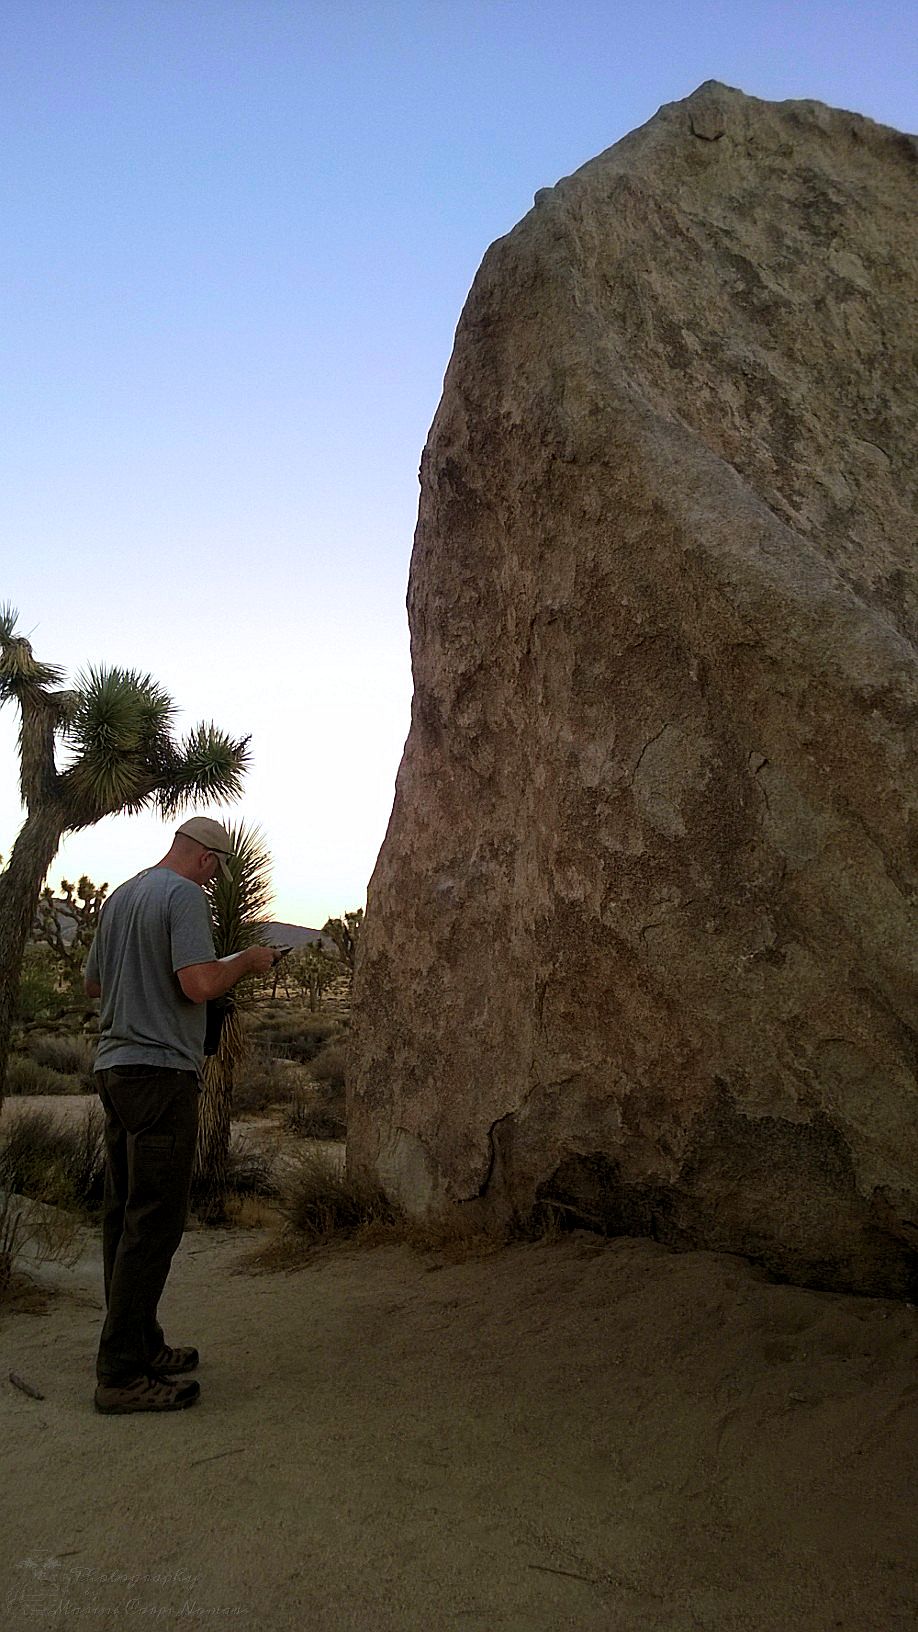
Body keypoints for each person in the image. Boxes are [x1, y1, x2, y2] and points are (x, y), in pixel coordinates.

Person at [83, 816, 278, 1415]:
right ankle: (118, 1373)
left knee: (125, 1213)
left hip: (115, 1069)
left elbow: (94, 986)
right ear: (206, 860)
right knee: (157, 1220)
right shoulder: (185, 896)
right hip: (161, 1072)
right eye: (216, 869)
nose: (215, 879)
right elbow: (197, 984)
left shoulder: (121, 896)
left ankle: (141, 1342)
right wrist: (245, 961)